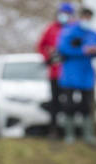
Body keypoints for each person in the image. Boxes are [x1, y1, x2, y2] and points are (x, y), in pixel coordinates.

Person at [55, 5, 96, 145]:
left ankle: (88, 136)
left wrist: (94, 50)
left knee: (86, 106)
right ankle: (69, 135)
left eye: (89, 18)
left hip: (86, 76)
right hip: (70, 75)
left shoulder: (93, 34)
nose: (87, 20)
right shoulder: (68, 31)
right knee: (69, 105)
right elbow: (62, 49)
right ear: (80, 17)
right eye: (85, 17)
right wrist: (83, 51)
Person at [37, 3, 74, 139]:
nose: (64, 16)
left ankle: (69, 131)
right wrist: (48, 56)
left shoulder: (74, 29)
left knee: (69, 103)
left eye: (67, 13)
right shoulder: (51, 29)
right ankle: (53, 130)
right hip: (54, 73)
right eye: (62, 12)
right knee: (55, 102)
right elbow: (41, 45)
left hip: (70, 75)